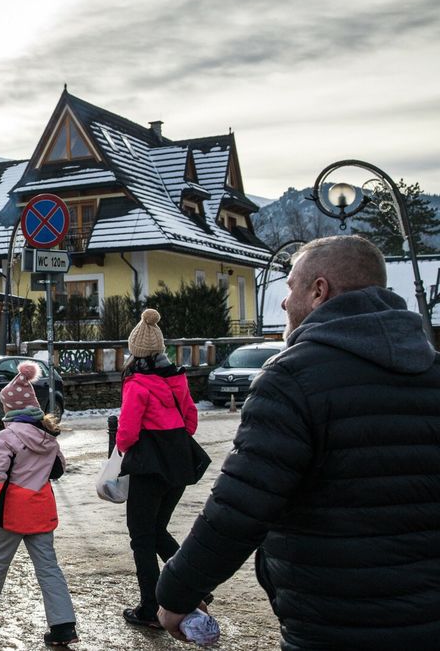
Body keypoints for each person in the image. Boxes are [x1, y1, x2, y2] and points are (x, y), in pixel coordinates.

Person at [156, 235, 440, 648]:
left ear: (319, 291)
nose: (285, 303)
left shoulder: (293, 378)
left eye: (290, 287)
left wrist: (176, 593)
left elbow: (241, 508)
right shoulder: (432, 371)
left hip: (334, 622)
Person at [0, 362, 78, 647]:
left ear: (10, 409)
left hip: (13, 513)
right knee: (48, 567)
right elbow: (59, 469)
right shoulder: (48, 436)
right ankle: (63, 625)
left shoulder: (6, 437)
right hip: (41, 511)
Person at [117, 308, 209, 629]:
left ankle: (149, 608)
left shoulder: (136, 383)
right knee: (157, 531)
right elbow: (191, 422)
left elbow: (127, 434)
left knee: (142, 537)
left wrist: (124, 450)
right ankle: (194, 587)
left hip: (149, 469)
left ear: (135, 351)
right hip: (179, 464)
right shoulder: (175, 377)